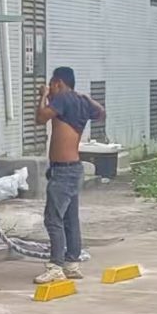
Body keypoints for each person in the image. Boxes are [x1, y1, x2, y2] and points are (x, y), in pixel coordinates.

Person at [33, 66, 103, 284]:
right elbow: (101, 113)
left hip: (63, 171)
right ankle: (72, 263)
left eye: (51, 85)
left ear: (59, 83)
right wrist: (88, 98)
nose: (50, 89)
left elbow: (41, 118)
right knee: (70, 219)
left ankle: (56, 265)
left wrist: (43, 96)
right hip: (74, 168)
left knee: (53, 218)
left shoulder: (62, 98)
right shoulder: (80, 101)